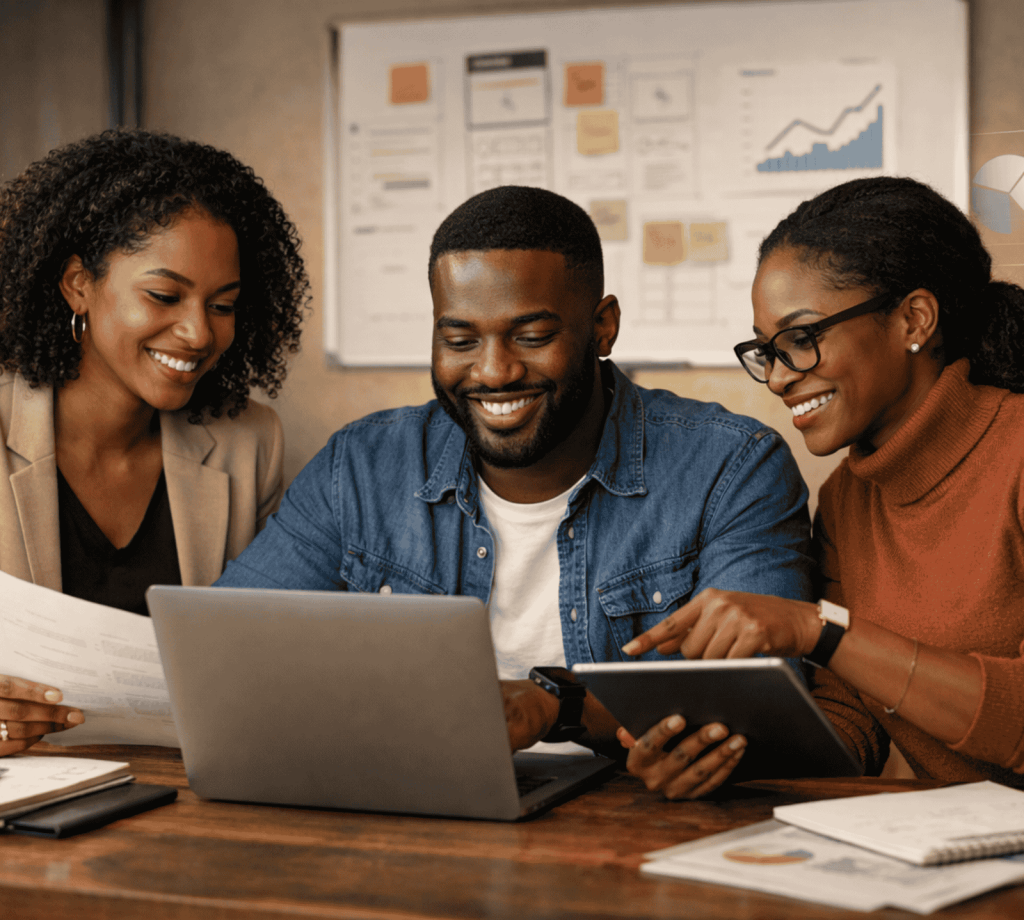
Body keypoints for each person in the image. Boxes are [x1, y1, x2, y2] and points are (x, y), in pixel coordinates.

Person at [216, 184, 814, 797]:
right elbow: (226, 655)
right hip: (407, 806)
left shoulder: (730, 468)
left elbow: (760, 709)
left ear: (603, 327)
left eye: (530, 336)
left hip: (632, 821)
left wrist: (558, 707)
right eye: (460, 341)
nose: (494, 371)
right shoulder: (361, 469)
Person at [625, 176, 1024, 791]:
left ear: (914, 319)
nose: (780, 378)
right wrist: (714, 759)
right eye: (766, 351)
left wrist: (820, 629)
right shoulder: (847, 499)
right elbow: (849, 727)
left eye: (801, 339)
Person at [0, 128, 310, 754]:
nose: (198, 334)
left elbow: (271, 661)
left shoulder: (249, 442)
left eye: (223, 305)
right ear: (77, 284)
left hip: (189, 795)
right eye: (164, 296)